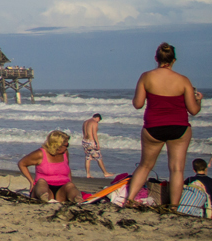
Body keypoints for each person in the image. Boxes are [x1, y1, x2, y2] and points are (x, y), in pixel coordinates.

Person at [126, 42, 202, 206]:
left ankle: (130, 199)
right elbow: (194, 110)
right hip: (179, 128)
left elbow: (138, 104)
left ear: (156, 58)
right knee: (176, 169)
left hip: (153, 126)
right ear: (174, 60)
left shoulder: (146, 77)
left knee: (145, 166)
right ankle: (174, 207)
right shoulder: (183, 80)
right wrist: (198, 100)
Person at [17, 130, 80, 202]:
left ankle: (77, 199)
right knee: (41, 182)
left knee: (70, 186)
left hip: (61, 189)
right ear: (58, 145)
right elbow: (22, 164)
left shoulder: (65, 153)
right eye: (66, 145)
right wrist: (31, 182)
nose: (67, 147)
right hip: (44, 187)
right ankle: (43, 197)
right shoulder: (40, 154)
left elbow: (67, 170)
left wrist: (69, 183)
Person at [81, 113, 114, 178]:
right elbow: (94, 134)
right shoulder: (94, 122)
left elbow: (84, 132)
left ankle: (88, 174)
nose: (98, 122)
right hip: (91, 141)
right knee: (99, 158)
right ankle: (105, 173)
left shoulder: (85, 122)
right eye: (99, 120)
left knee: (88, 158)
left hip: (85, 141)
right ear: (98, 118)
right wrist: (97, 143)